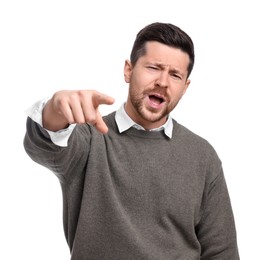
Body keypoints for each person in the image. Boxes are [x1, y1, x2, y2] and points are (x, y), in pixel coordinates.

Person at [23, 22, 239, 259]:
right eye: (154, 68)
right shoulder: (89, 139)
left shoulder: (202, 155)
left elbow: (221, 252)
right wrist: (55, 108)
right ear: (128, 70)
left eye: (175, 75)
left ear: (185, 87)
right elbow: (45, 145)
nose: (163, 83)